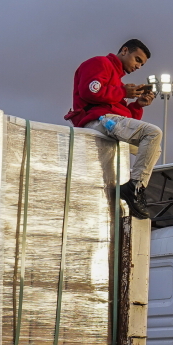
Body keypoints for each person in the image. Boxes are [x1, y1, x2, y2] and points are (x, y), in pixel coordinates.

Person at [64, 38, 161, 220]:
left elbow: (126, 120)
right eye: (137, 59)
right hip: (97, 120)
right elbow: (90, 91)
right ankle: (134, 188)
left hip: (108, 121)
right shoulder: (100, 63)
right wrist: (123, 92)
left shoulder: (117, 80)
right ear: (124, 51)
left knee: (154, 147)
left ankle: (135, 187)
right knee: (153, 133)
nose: (138, 66)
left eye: (142, 64)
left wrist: (137, 105)